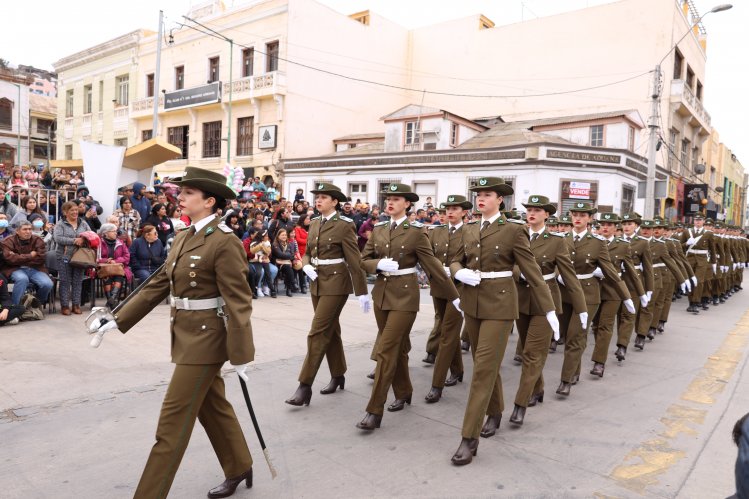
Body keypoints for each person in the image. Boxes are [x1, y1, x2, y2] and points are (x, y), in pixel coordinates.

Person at [89, 166, 256, 499]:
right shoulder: (184, 235)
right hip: (186, 335)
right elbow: (158, 284)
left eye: (188, 193)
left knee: (171, 425)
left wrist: (241, 353)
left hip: (208, 340)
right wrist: (117, 318)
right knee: (212, 405)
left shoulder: (224, 243)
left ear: (210, 201)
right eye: (181, 192)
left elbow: (240, 302)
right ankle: (239, 465)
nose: (179, 198)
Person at [447, 178, 557, 465]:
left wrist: (549, 310)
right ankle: (495, 411)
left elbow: (532, 272)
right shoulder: (469, 228)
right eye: (479, 194)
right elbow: (455, 260)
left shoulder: (512, 230)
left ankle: (468, 438)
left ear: (501, 201)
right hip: (472, 302)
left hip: (500, 304)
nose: (481, 199)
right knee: (484, 363)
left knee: (483, 369)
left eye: (487, 194)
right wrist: (459, 273)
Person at [357, 183, 459, 431]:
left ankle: (374, 410)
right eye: (388, 198)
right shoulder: (379, 228)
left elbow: (432, 264)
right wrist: (378, 264)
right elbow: (363, 260)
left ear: (407, 204)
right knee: (398, 349)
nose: (390, 202)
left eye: (396, 199)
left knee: (386, 349)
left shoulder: (415, 232)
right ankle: (404, 391)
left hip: (405, 296)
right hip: (382, 294)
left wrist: (454, 295)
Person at [285, 183, 369, 406]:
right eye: (317, 197)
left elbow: (354, 258)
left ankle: (304, 386)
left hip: (336, 283)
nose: (318, 200)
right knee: (331, 331)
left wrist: (361, 291)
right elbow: (308, 252)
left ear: (334, 202)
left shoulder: (344, 225)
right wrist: (305, 265)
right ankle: (338, 374)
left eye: (323, 197)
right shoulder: (314, 223)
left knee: (317, 332)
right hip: (317, 281)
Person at [508, 195, 586, 426]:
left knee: (532, 353)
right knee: (530, 350)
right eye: (529, 209)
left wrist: (581, 308)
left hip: (546, 301)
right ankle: (538, 388)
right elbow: (505, 262)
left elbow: (570, 277)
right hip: (520, 299)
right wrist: (517, 272)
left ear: (546, 215)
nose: (531, 213)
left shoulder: (556, 242)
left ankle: (520, 404)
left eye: (537, 210)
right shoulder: (515, 235)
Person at [556, 202, 633, 397]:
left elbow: (612, 272)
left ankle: (565, 380)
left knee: (576, 335)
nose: (578, 218)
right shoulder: (561, 239)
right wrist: (557, 273)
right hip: (565, 293)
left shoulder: (597, 243)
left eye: (582, 215)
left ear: (590, 219)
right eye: (575, 215)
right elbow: (552, 262)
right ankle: (575, 370)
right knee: (568, 336)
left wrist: (626, 295)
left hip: (588, 294)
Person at [423, 196, 473, 404]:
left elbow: (474, 260)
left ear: (464, 212)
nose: (450, 212)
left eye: (455, 209)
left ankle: (437, 384)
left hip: (460, 290)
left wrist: (456, 271)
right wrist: (434, 270)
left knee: (447, 334)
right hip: (439, 288)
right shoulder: (437, 231)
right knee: (445, 329)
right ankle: (458, 369)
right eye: (448, 209)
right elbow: (427, 256)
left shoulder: (471, 233)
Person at [588, 213, 646, 378]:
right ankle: (599, 351)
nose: (605, 227)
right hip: (593, 288)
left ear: (615, 227)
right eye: (602, 224)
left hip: (613, 290)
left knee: (606, 326)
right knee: (596, 325)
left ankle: (599, 363)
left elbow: (632, 272)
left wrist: (641, 292)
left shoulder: (622, 245)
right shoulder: (592, 242)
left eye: (609, 224)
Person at [2, 221, 53, 306]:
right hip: (14, 268)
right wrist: (30, 255)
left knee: (47, 284)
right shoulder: (8, 241)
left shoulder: (37, 240)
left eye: (30, 229)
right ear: (17, 231)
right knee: (22, 279)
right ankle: (15, 308)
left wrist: (18, 256)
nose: (28, 232)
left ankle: (35, 305)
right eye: (25, 229)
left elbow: (41, 259)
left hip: (35, 268)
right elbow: (9, 259)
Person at [53, 200, 91, 315]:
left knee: (78, 281)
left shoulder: (83, 223)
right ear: (65, 212)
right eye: (72, 210)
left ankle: (76, 305)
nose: (75, 212)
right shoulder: (60, 224)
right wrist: (75, 240)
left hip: (80, 257)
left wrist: (83, 239)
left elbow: (91, 235)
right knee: (65, 281)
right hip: (64, 256)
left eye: (76, 210)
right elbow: (58, 238)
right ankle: (65, 306)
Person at [97, 223, 132, 308]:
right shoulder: (99, 243)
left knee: (119, 274)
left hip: (118, 267)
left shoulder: (120, 243)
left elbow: (127, 257)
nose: (116, 233)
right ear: (106, 233)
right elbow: (96, 258)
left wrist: (115, 261)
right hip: (104, 268)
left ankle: (111, 299)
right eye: (113, 231)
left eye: (115, 231)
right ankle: (112, 300)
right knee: (107, 275)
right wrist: (107, 261)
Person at [249, 230, 276, 298]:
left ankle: (272, 290)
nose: (267, 237)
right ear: (262, 236)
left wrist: (262, 246)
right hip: (256, 260)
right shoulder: (254, 242)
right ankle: (255, 290)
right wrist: (259, 246)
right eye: (266, 236)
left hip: (265, 260)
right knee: (259, 273)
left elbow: (268, 252)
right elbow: (252, 251)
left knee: (268, 274)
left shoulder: (267, 243)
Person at [271, 228, 298, 297]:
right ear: (278, 236)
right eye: (282, 235)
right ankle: (292, 284)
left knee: (291, 267)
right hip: (277, 264)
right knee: (288, 267)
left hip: (286, 263)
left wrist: (290, 258)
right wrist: (288, 256)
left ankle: (289, 288)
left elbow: (292, 254)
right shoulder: (275, 244)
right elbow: (280, 254)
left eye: (285, 235)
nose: (284, 236)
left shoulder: (288, 244)